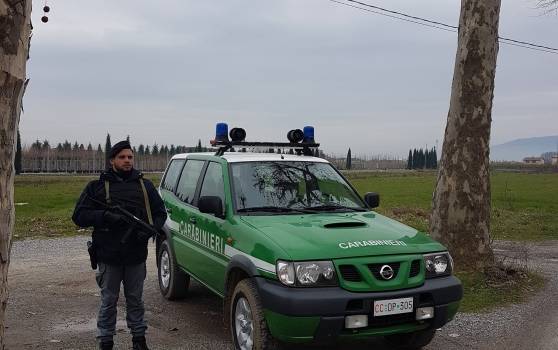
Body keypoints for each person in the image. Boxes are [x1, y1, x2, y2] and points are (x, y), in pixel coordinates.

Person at [72, 140, 167, 350]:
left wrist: (149, 230)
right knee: (108, 302)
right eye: (122, 157)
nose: (127, 161)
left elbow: (161, 213)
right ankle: (105, 341)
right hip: (108, 254)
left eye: (130, 157)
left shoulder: (145, 186)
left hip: (135, 255)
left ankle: (139, 340)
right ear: (112, 160)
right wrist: (104, 216)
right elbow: (78, 216)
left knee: (135, 300)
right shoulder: (96, 187)